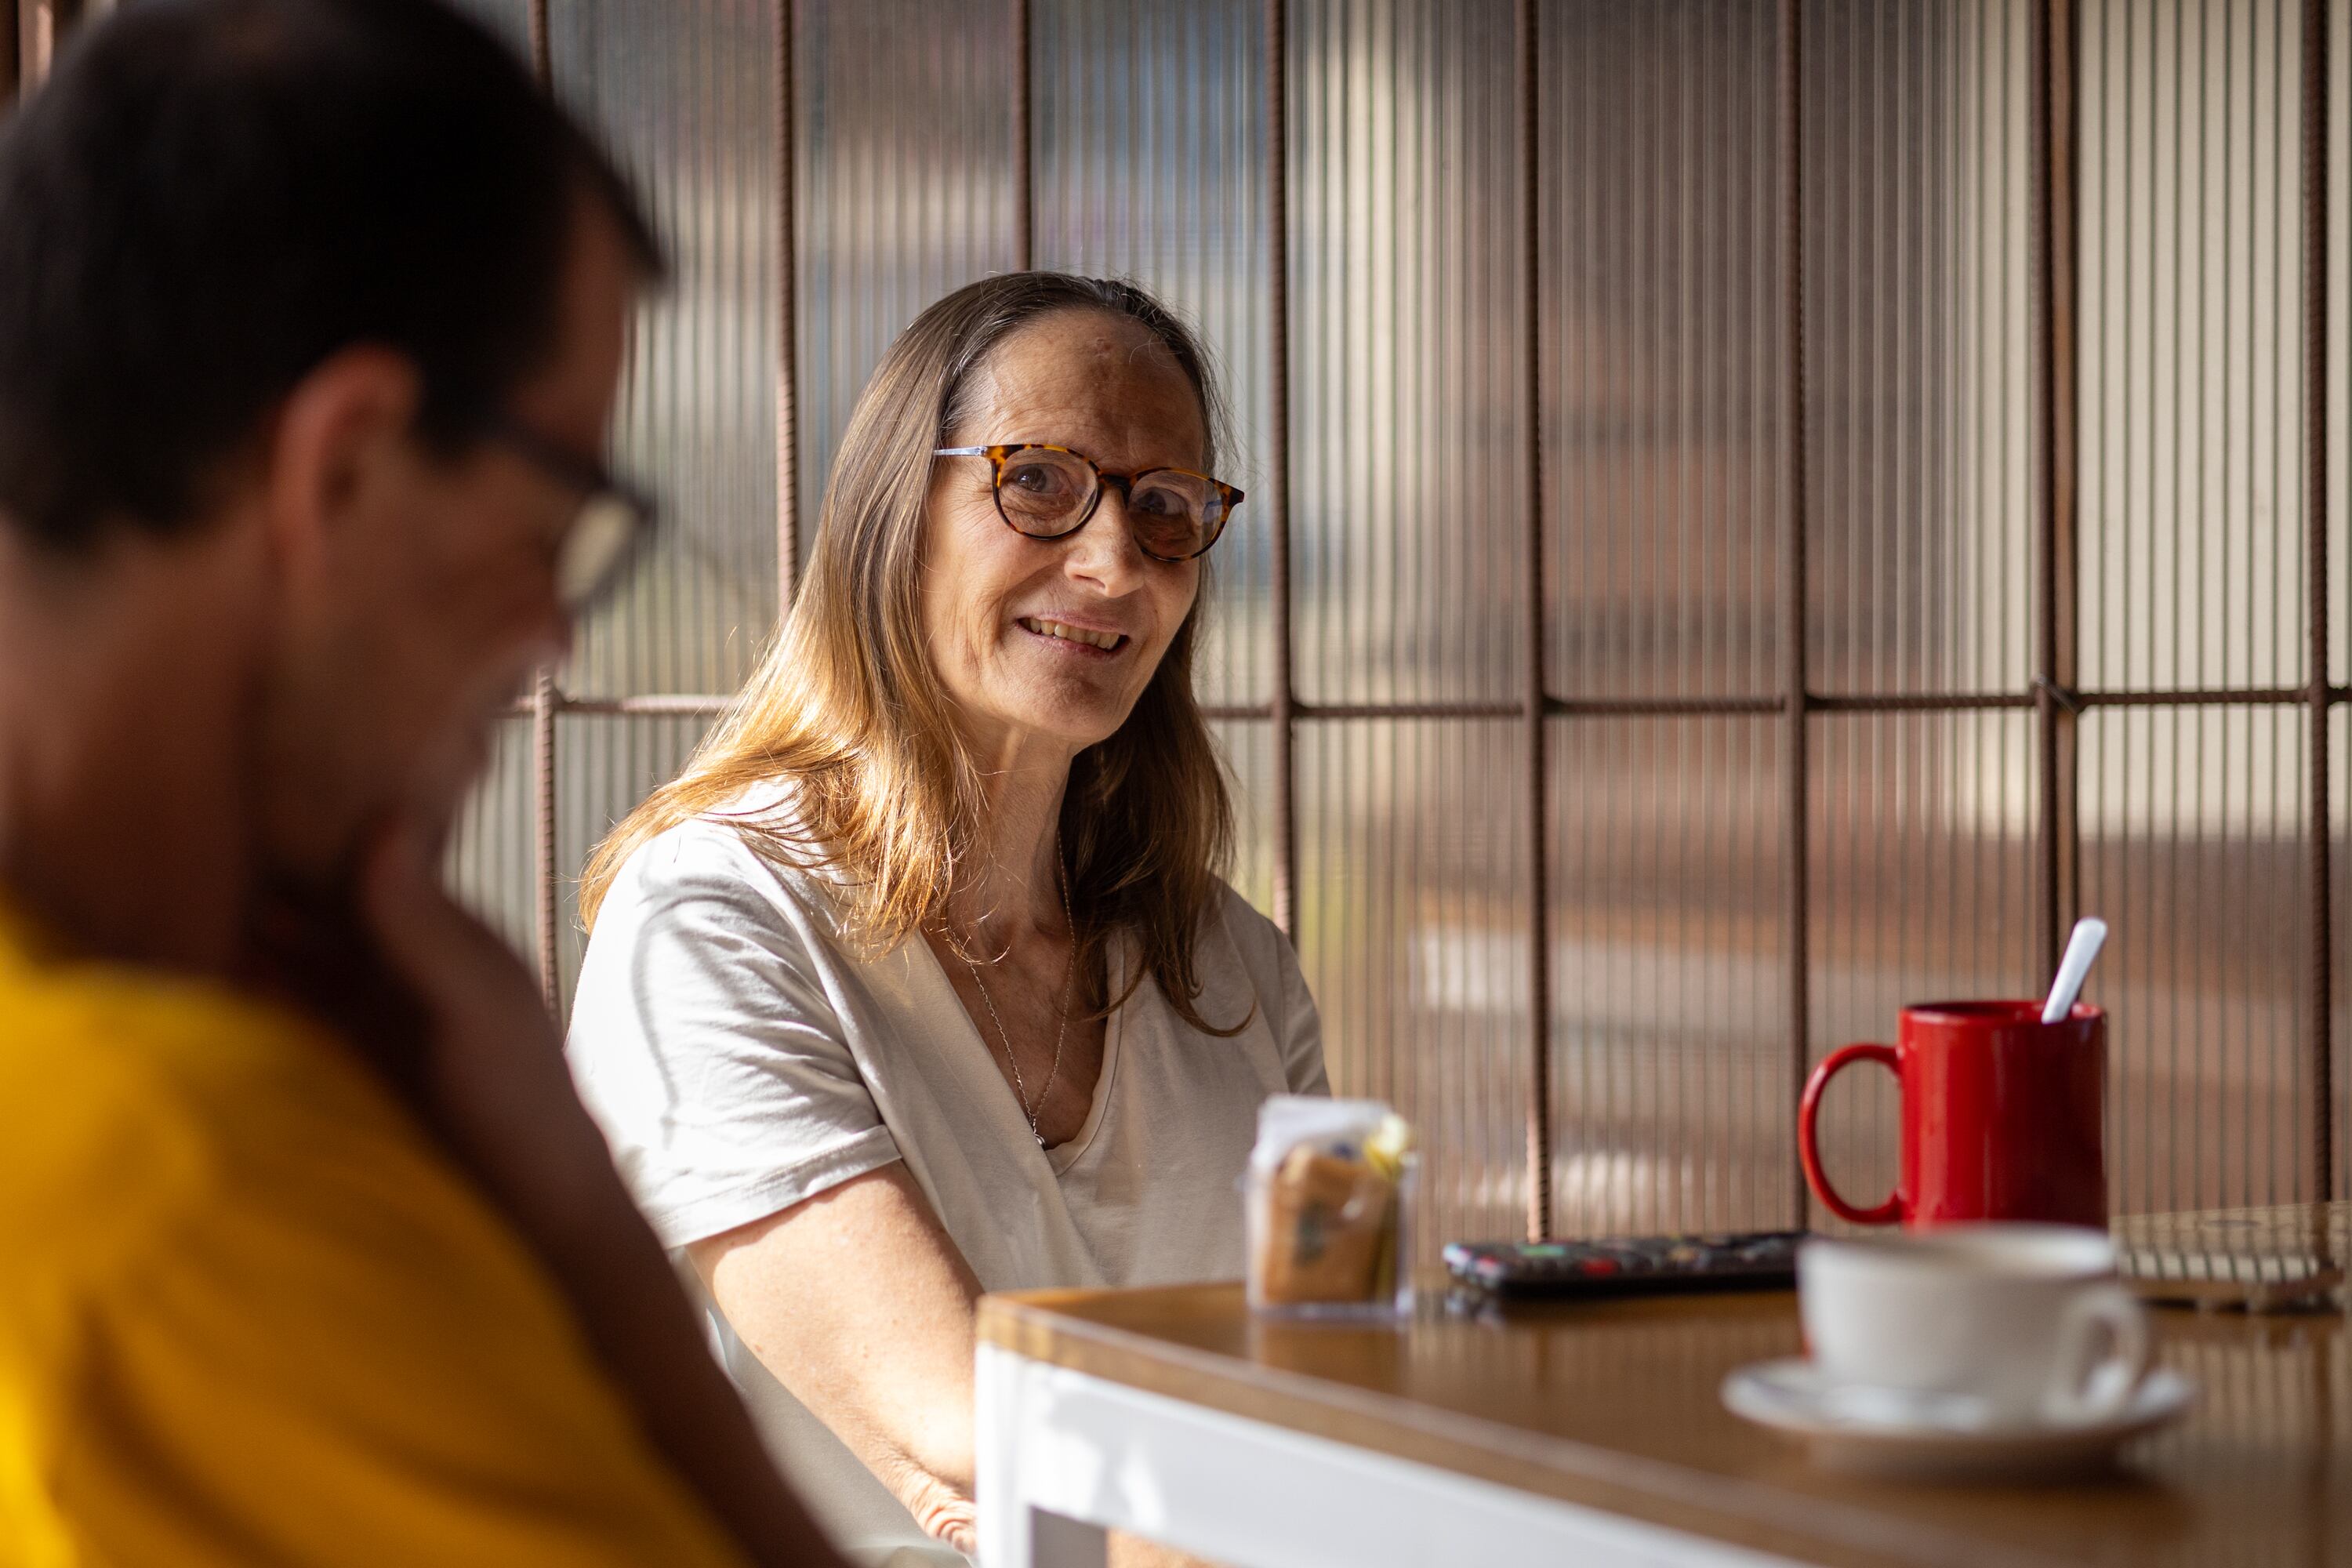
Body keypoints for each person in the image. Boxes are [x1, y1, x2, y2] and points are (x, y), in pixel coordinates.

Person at [0, 2, 848, 1563]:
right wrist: (578, 1224)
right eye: (552, 521)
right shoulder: (190, 1174)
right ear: (346, 461)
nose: (545, 628)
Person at [566, 271, 1329, 1566]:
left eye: (1166, 509)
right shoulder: (717, 917)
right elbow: (967, 1420)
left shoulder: (1232, 966)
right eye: (1038, 482)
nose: (1112, 561)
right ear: (893, 514)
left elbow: (1327, 1379)